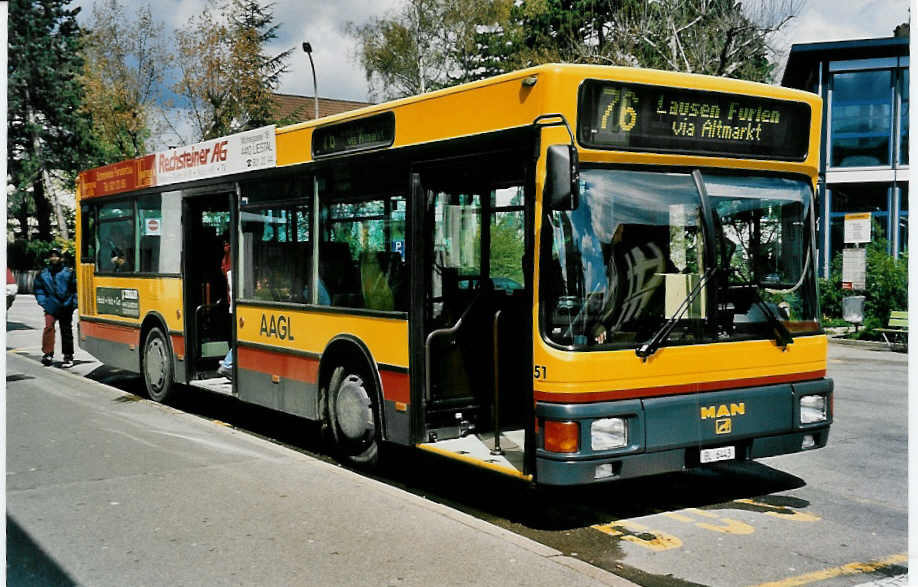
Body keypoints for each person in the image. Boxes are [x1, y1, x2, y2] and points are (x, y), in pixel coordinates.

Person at [34, 249, 77, 368]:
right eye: (51, 256)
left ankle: (68, 356)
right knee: (48, 327)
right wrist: (43, 302)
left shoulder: (68, 272)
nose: (54, 258)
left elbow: (75, 289)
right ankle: (48, 354)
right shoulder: (43, 273)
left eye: (56, 256)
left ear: (61, 258)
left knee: (66, 330)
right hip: (51, 305)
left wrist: (73, 303)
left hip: (66, 305)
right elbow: (38, 289)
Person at [217, 237, 233, 380]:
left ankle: (228, 363)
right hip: (236, 304)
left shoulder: (226, 258)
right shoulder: (236, 255)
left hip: (232, 303)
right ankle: (228, 364)